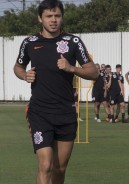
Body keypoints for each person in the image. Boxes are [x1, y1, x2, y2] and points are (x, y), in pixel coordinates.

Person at [13, 1, 99, 183]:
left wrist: (71, 68)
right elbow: (18, 67)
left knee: (60, 169)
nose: (53, 20)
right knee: (45, 165)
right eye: (49, 16)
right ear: (40, 18)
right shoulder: (30, 42)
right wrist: (24, 75)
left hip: (65, 112)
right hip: (40, 112)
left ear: (62, 17)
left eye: (57, 16)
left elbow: (94, 72)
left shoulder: (73, 41)